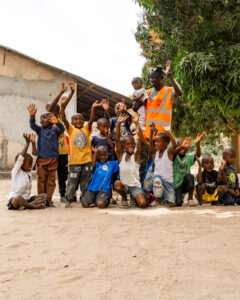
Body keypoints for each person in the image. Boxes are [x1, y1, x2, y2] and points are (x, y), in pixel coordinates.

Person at [61, 96, 102, 207]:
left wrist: (93, 108)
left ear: (83, 121)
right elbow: (63, 118)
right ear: (72, 122)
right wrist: (62, 106)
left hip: (86, 161)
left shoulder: (86, 129)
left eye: (80, 119)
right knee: (72, 182)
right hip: (74, 162)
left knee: (85, 182)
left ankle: (85, 199)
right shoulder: (70, 129)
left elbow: (92, 119)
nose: (78, 121)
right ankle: (69, 199)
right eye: (76, 119)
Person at [28, 104, 65, 207]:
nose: (42, 120)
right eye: (41, 118)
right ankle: (41, 199)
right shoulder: (40, 130)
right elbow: (33, 126)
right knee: (41, 180)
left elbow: (61, 129)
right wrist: (32, 117)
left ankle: (48, 200)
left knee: (51, 181)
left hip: (53, 160)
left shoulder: (55, 130)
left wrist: (58, 123)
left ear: (52, 120)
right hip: (41, 160)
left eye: (45, 118)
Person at [46, 82, 75, 202]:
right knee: (51, 175)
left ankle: (62, 195)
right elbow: (53, 106)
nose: (56, 111)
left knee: (63, 175)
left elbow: (64, 105)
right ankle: (48, 196)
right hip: (52, 152)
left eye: (57, 110)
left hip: (63, 151)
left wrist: (72, 92)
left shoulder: (60, 118)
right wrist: (61, 92)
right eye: (53, 109)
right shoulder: (47, 119)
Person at [137, 122, 177, 207]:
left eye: (158, 142)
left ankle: (163, 199)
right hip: (158, 177)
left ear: (165, 144)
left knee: (171, 204)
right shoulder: (155, 152)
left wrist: (169, 132)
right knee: (157, 183)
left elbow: (175, 144)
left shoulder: (168, 152)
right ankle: (158, 202)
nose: (155, 144)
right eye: (155, 142)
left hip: (168, 181)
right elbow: (144, 141)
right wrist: (137, 123)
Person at [114, 114, 148, 208]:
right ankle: (124, 198)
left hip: (135, 187)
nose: (131, 145)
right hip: (124, 186)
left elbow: (140, 139)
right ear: (124, 146)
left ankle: (134, 197)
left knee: (142, 204)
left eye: (132, 143)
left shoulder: (136, 156)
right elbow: (117, 140)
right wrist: (118, 124)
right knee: (117, 184)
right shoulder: (121, 155)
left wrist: (137, 124)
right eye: (128, 144)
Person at [7, 133, 47, 210]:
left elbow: (34, 156)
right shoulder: (16, 171)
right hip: (15, 200)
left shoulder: (28, 170)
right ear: (21, 164)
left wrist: (33, 143)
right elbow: (20, 158)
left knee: (44, 196)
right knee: (18, 198)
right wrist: (27, 143)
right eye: (29, 163)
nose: (31, 165)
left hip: (26, 199)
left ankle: (26, 205)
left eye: (31, 163)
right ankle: (32, 206)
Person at [173, 133, 204, 206]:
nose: (182, 148)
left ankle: (190, 199)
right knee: (178, 203)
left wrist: (198, 143)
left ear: (187, 148)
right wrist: (181, 147)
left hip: (184, 184)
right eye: (180, 146)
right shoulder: (173, 156)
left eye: (184, 146)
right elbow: (174, 153)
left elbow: (197, 155)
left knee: (190, 176)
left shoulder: (188, 157)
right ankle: (178, 197)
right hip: (175, 186)